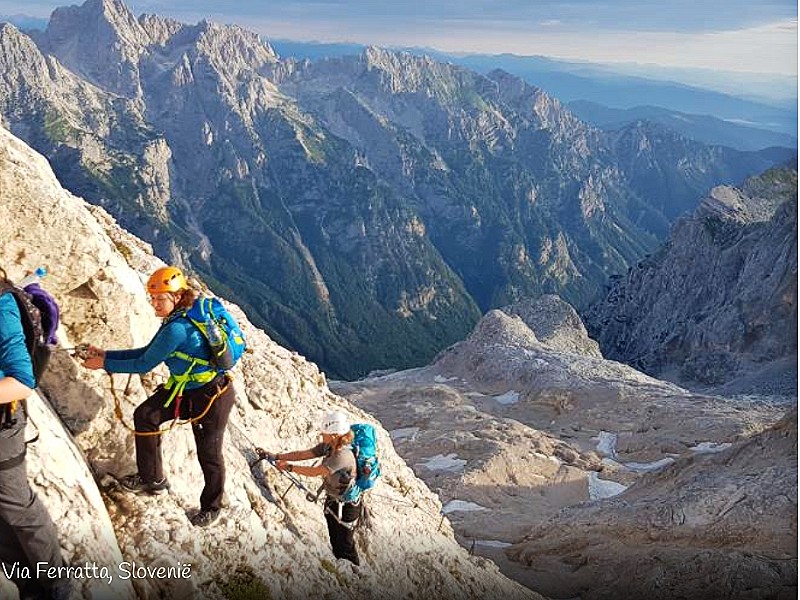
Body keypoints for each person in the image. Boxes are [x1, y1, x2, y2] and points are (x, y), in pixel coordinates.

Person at [82, 266, 236, 527]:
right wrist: (106, 355)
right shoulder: (176, 321)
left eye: (160, 298)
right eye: (152, 298)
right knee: (146, 415)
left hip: (211, 396)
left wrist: (103, 364)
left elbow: (143, 364)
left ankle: (212, 506)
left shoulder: (177, 328)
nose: (154, 304)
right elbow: (147, 352)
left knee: (208, 453)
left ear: (176, 297)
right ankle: (152, 479)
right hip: (186, 389)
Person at [0, 267, 70, 599]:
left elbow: (22, 382)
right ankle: (28, 585)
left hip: (3, 427)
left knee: (17, 505)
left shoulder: (3, 308)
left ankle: (57, 584)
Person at [259, 410, 362, 565]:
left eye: (325, 433)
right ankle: (343, 568)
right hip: (334, 500)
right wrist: (277, 456)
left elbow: (316, 472)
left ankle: (355, 574)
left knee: (345, 543)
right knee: (335, 539)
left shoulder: (342, 456)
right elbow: (303, 455)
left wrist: (289, 468)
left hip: (347, 507)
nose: (322, 435)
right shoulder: (329, 446)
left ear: (334, 435)